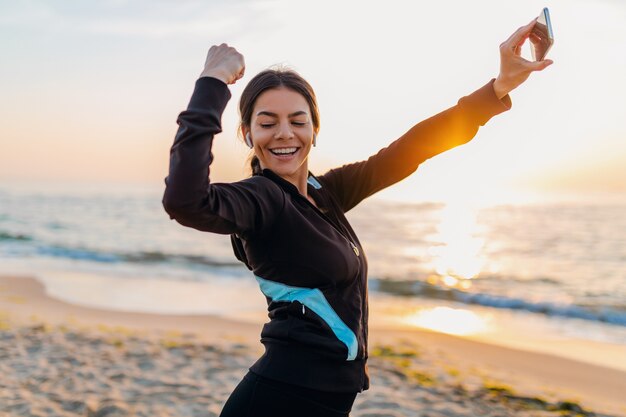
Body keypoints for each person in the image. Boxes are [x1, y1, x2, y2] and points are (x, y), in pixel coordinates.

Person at [162, 18, 552, 417]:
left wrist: (498, 88)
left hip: (323, 399)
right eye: (267, 123)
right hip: (280, 397)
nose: (284, 134)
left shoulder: (322, 194)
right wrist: (212, 82)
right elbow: (185, 200)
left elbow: (406, 152)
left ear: (314, 129)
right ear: (247, 133)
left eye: (298, 121)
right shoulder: (261, 200)